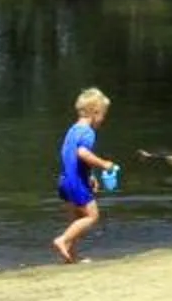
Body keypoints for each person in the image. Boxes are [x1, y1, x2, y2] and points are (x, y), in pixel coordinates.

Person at [51, 86, 122, 264]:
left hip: (65, 180)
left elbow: (69, 155)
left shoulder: (73, 130)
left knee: (76, 220)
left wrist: (89, 175)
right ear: (95, 112)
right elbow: (82, 153)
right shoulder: (87, 132)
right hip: (75, 182)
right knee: (92, 216)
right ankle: (63, 240)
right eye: (103, 114)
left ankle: (71, 256)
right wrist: (104, 164)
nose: (103, 119)